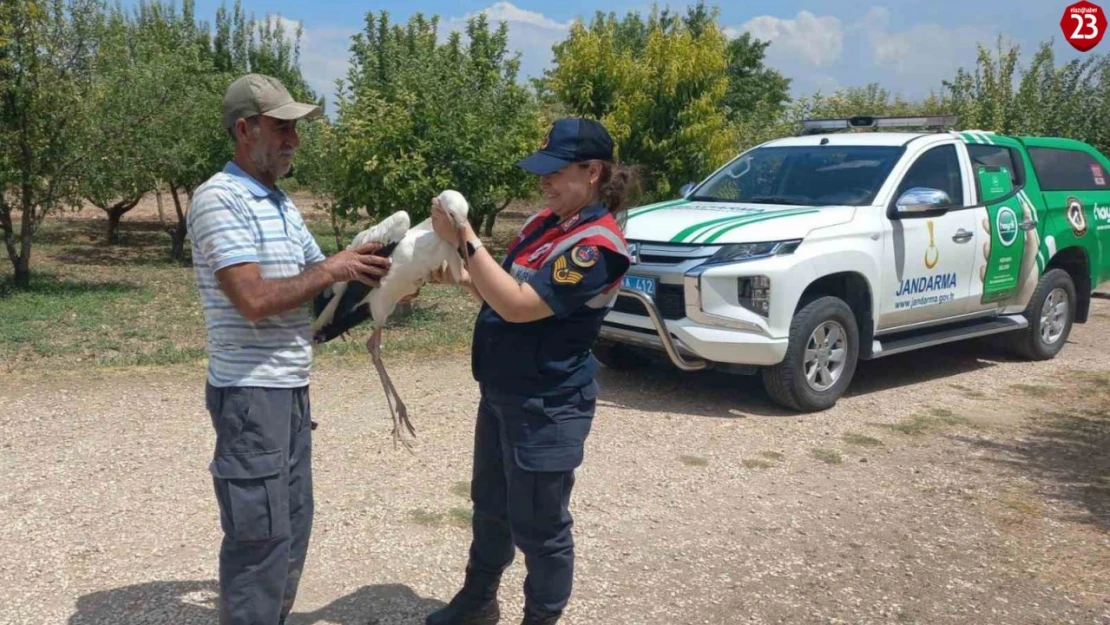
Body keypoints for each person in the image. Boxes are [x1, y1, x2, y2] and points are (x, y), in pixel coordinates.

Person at [186, 73, 394, 625]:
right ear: (244, 129)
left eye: (295, 130)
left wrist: (385, 275)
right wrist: (334, 266)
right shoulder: (220, 198)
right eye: (281, 129)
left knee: (292, 526)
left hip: (290, 387)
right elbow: (252, 298)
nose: (294, 141)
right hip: (252, 395)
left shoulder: (278, 202)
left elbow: (321, 286)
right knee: (260, 538)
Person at [425, 117, 637, 625]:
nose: (543, 183)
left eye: (555, 172)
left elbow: (520, 305)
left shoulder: (596, 247)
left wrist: (465, 234)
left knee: (541, 527)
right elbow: (496, 294)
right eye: (541, 173)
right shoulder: (545, 224)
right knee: (490, 507)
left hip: (548, 404)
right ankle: (478, 601)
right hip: (503, 391)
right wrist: (459, 264)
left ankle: (540, 619)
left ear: (592, 171)